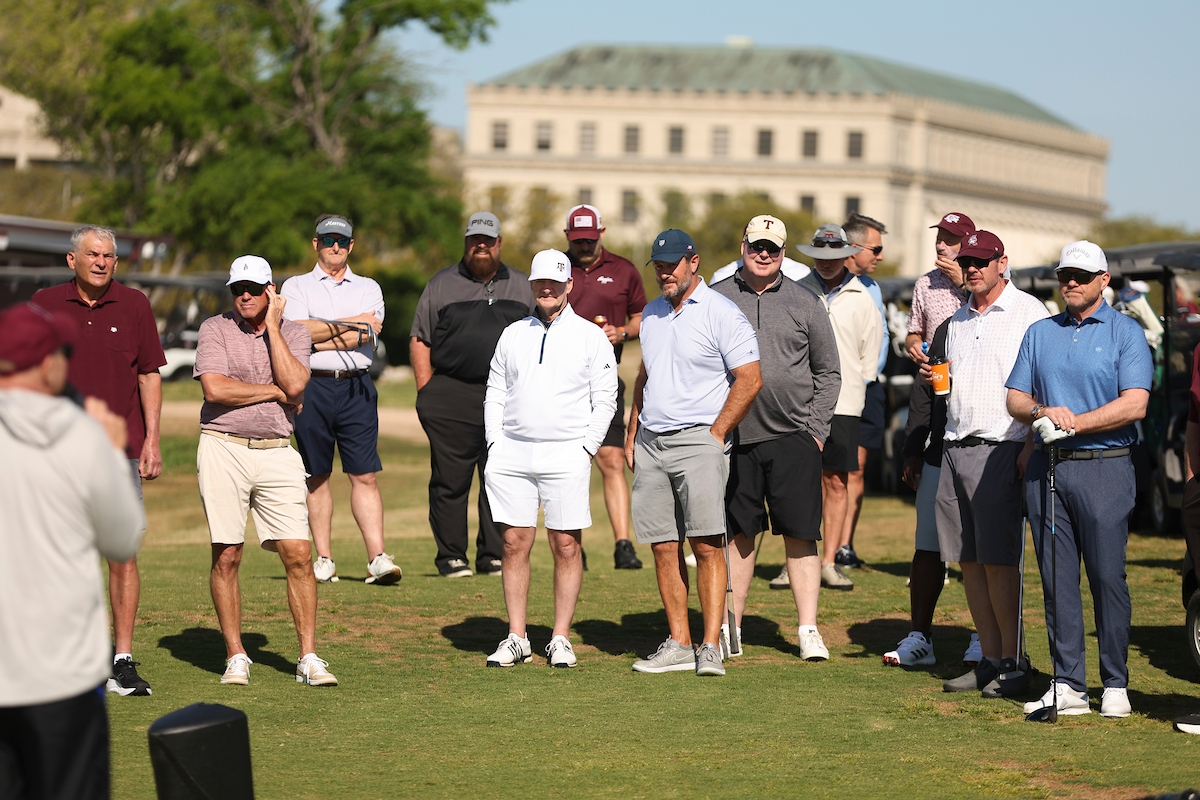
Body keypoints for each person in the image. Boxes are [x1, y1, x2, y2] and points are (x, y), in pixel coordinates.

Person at [0, 303, 143, 800]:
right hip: (62, 678)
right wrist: (111, 450)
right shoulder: (81, 434)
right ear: (47, 365)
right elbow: (123, 539)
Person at [1007, 240, 1150, 718]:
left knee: (1107, 577)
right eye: (1064, 274)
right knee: (1057, 579)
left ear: (1103, 281)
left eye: (1081, 276)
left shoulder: (1125, 332)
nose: (1070, 282)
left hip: (1105, 467)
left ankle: (1115, 684)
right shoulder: (1040, 332)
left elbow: (1135, 403)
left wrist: (1074, 423)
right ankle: (1068, 684)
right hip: (1048, 469)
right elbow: (1015, 397)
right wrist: (1041, 412)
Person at [32, 225, 166, 698]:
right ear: (72, 260)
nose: (101, 262)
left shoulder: (135, 305)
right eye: (92, 254)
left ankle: (121, 661)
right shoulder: (44, 304)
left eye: (108, 255)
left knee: (122, 555)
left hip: (118, 453)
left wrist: (152, 440)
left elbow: (149, 375)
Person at [194, 255, 337, 687]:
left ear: (271, 291)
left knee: (299, 553)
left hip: (277, 449)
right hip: (223, 446)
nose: (245, 296)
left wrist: (274, 327)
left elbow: (296, 384)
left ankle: (308, 657)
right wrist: (273, 392)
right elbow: (215, 389)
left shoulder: (293, 332)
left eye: (254, 289)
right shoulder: (214, 328)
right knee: (228, 553)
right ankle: (236, 654)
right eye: (238, 288)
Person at [626, 229, 761, 677]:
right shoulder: (651, 314)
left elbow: (750, 378)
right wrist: (633, 429)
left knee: (706, 544)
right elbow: (645, 376)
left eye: (672, 265)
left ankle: (710, 646)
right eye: (659, 266)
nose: (665, 273)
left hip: (699, 440)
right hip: (652, 442)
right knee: (664, 546)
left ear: (693, 262)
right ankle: (680, 644)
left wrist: (717, 433)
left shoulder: (721, 312)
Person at [711, 215, 841, 661]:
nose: (763, 254)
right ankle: (731, 627)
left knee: (801, 534)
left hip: (794, 437)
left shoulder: (806, 301)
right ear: (743, 247)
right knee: (738, 535)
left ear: (783, 253)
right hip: (735, 438)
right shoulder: (717, 298)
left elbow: (828, 371)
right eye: (756, 246)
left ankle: (808, 629)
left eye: (772, 248)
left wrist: (816, 432)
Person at [482, 249, 618, 668]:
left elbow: (606, 399)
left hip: (567, 453)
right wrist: (494, 443)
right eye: (541, 282)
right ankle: (517, 636)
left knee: (566, 544)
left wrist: (586, 448)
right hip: (513, 452)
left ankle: (560, 637)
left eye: (555, 284)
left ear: (568, 285)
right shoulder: (513, 333)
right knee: (513, 542)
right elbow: (496, 391)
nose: (547, 289)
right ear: (532, 285)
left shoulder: (590, 336)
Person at [928, 231, 1047, 697]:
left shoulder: (1029, 312)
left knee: (998, 561)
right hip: (955, 445)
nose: (972, 268)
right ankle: (991, 659)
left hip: (1002, 446)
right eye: (967, 261)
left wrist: (1030, 444)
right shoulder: (958, 319)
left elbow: (1044, 383)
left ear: (1002, 262)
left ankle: (1014, 662)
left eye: (981, 260)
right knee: (969, 562)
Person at [411, 212, 535, 578]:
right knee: (450, 480)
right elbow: (420, 338)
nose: (481, 245)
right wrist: (427, 390)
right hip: (452, 393)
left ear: (499, 243)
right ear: (466, 242)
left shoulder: (522, 285)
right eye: (474, 240)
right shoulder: (441, 284)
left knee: (500, 477)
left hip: (508, 397)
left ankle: (492, 555)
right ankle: (451, 556)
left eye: (488, 240)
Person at [281, 215, 401, 586]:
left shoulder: (368, 287)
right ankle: (324, 559)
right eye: (329, 239)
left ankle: (377, 558)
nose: (336, 246)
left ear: (351, 245)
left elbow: (367, 334)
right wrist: (353, 324)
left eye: (343, 241)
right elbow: (296, 333)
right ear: (315, 244)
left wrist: (320, 333)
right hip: (311, 387)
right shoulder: (296, 286)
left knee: (364, 474)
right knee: (316, 475)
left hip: (356, 387)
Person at [884, 211, 975, 668]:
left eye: (952, 240)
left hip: (979, 422)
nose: (941, 246)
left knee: (979, 544)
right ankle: (920, 636)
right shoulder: (925, 284)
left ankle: (986, 636)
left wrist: (964, 283)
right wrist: (915, 345)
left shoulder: (991, 284)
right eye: (940, 238)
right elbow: (915, 334)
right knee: (928, 542)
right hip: (934, 408)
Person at [786, 224, 883, 591]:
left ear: (846, 255)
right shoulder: (797, 290)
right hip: (799, 403)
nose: (826, 263)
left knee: (836, 482)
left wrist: (855, 385)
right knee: (798, 484)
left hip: (844, 403)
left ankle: (828, 561)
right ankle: (796, 561)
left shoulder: (862, 297)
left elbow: (870, 354)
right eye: (820, 256)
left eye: (834, 256)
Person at [561, 204, 647, 570]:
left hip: (605, 379)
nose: (584, 246)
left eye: (589, 239)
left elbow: (642, 316)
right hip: (562, 382)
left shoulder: (624, 270)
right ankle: (571, 546)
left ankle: (623, 544)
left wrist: (622, 332)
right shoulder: (557, 269)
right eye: (578, 240)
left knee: (611, 458)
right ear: (567, 237)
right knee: (568, 465)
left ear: (602, 233)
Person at [837, 213, 889, 570]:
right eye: (876, 249)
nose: (880, 256)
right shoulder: (823, 283)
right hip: (833, 391)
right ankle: (818, 545)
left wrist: (868, 375)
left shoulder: (873, 288)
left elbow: (880, 337)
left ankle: (845, 546)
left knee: (857, 468)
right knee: (827, 472)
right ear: (854, 248)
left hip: (868, 389)